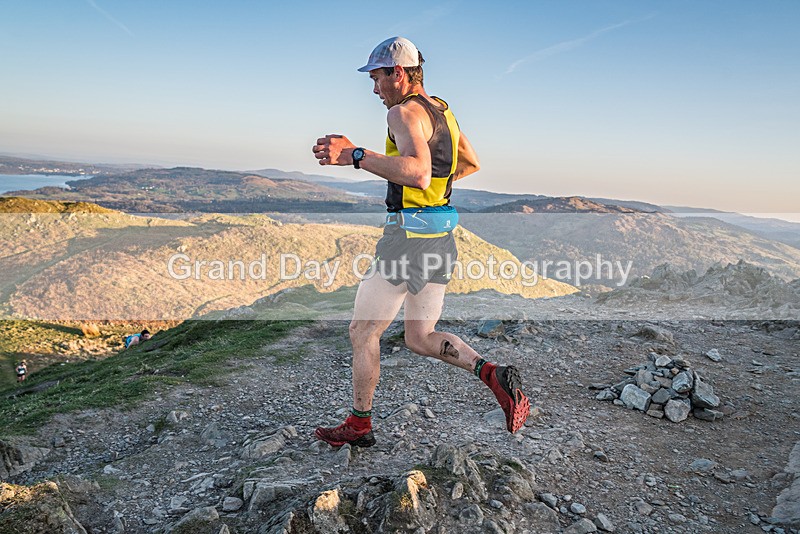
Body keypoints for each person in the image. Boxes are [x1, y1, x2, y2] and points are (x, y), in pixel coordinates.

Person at [311, 37, 530, 448]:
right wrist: (429, 193)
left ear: (397, 73)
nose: (374, 89)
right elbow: (468, 164)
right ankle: (492, 374)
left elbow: (416, 173)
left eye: (376, 78)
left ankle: (359, 425)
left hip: (406, 240)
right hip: (441, 236)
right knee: (419, 337)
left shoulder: (402, 112)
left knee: (362, 331)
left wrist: (355, 156)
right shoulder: (442, 111)